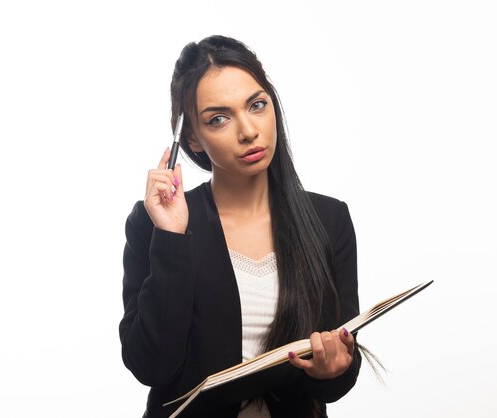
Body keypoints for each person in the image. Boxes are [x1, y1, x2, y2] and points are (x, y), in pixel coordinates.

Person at [119, 35, 361, 418]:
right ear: (192, 138)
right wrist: (171, 237)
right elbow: (152, 365)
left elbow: (339, 376)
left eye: (257, 105)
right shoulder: (156, 225)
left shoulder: (329, 219)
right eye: (219, 118)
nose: (248, 130)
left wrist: (336, 367)